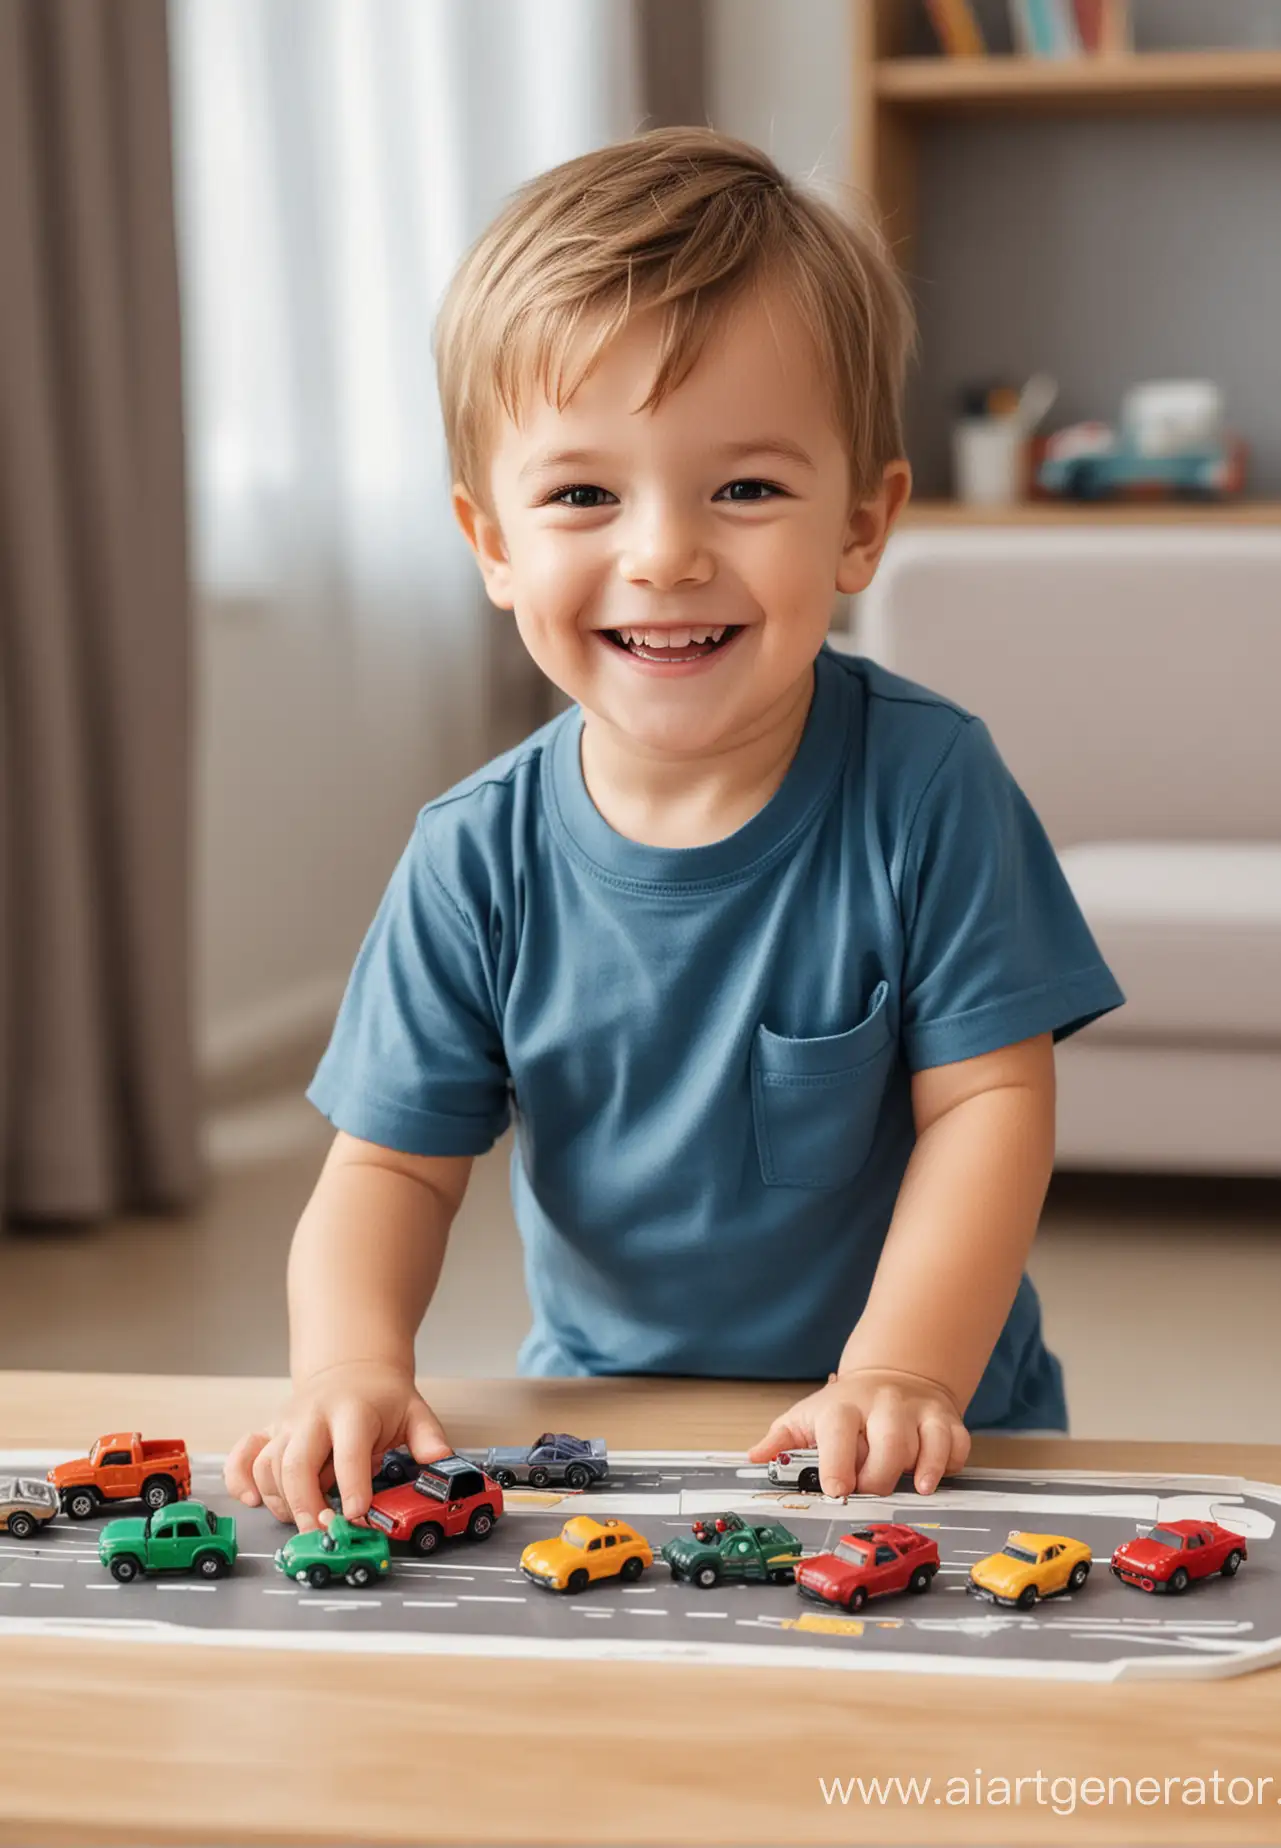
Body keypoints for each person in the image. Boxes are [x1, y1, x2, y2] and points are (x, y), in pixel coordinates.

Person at [226, 127, 1124, 1531]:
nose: (664, 553)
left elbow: (989, 1111)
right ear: (492, 544)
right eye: (584, 493)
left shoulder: (931, 785)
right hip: (615, 1442)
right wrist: (348, 1364)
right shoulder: (474, 856)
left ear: (863, 524)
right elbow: (391, 1165)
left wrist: (896, 1372)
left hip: (932, 1428)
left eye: (747, 488)